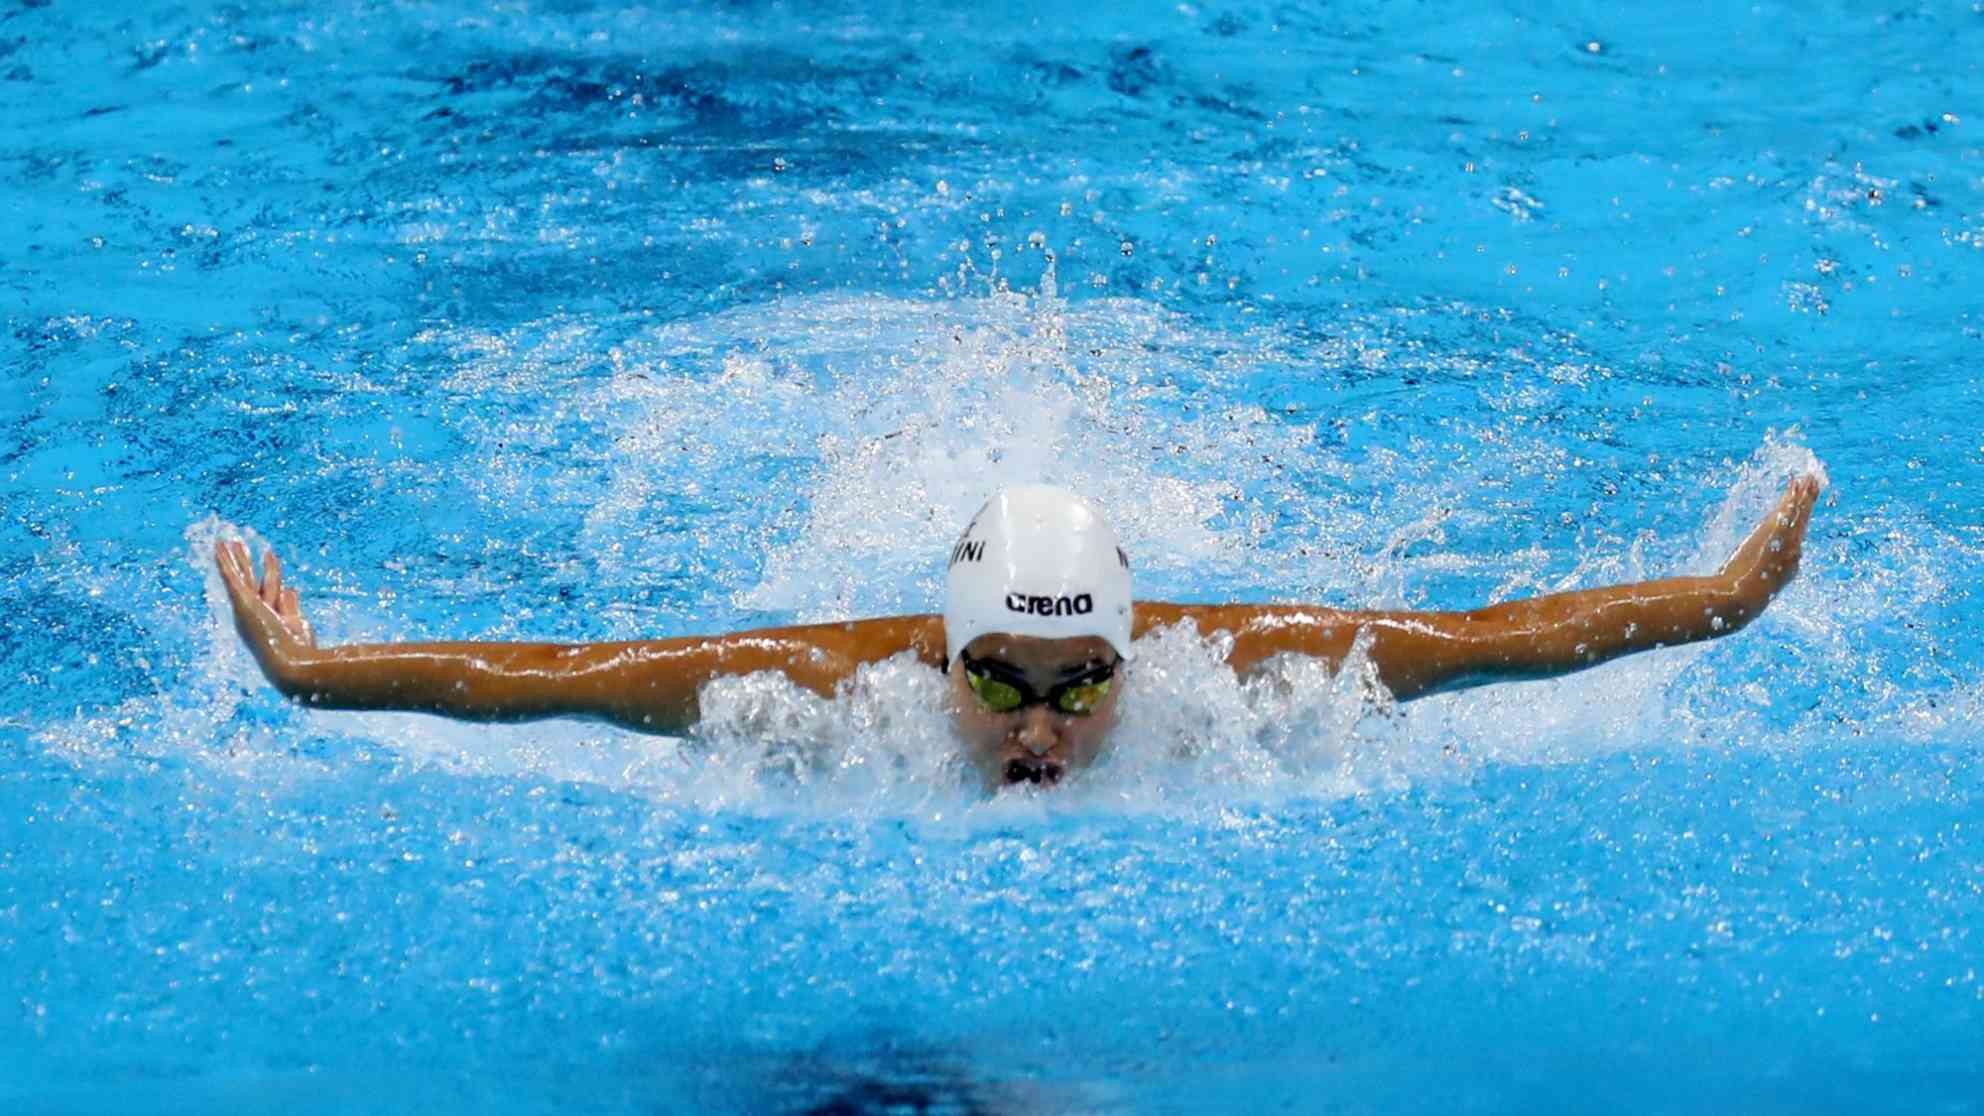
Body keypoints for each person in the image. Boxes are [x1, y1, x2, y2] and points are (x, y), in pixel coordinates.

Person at [215, 475, 1823, 789]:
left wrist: (1724, 602)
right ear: (944, 652)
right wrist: (314, 676)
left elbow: (1499, 636)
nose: (1038, 730)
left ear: (1138, 657)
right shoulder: (833, 689)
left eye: (1078, 686)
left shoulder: (1236, 666)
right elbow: (555, 680)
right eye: (999, 678)